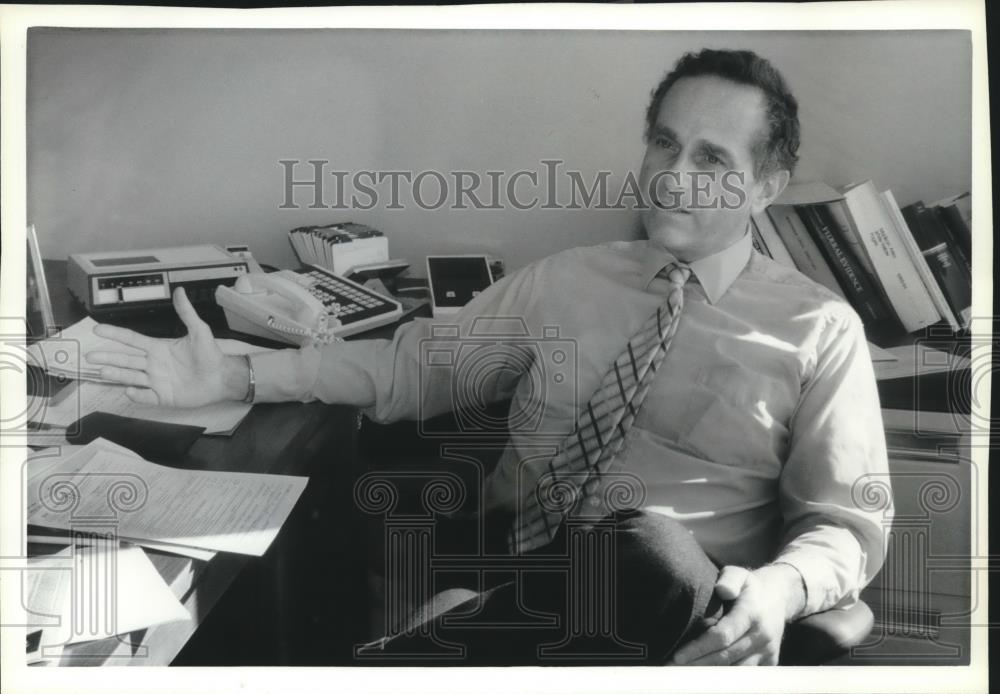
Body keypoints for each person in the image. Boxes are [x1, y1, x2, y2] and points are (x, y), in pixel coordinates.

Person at [86, 48, 891, 666]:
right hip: (516, 580)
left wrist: (781, 590)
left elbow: (849, 526)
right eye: (664, 144)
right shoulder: (567, 282)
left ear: (767, 186)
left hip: (667, 629)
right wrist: (231, 372)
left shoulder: (819, 328)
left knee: (654, 551)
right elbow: (411, 367)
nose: (675, 178)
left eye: (712, 160)